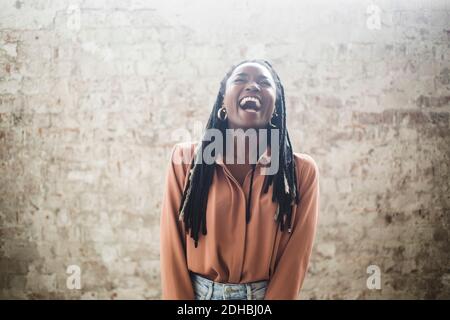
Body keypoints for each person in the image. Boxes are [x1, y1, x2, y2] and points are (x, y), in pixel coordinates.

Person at [160, 59, 320, 300]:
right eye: (241, 79)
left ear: (276, 106)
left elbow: (295, 259)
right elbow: (171, 244)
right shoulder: (185, 161)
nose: (253, 86)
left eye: (264, 82)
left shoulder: (300, 172)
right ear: (223, 101)